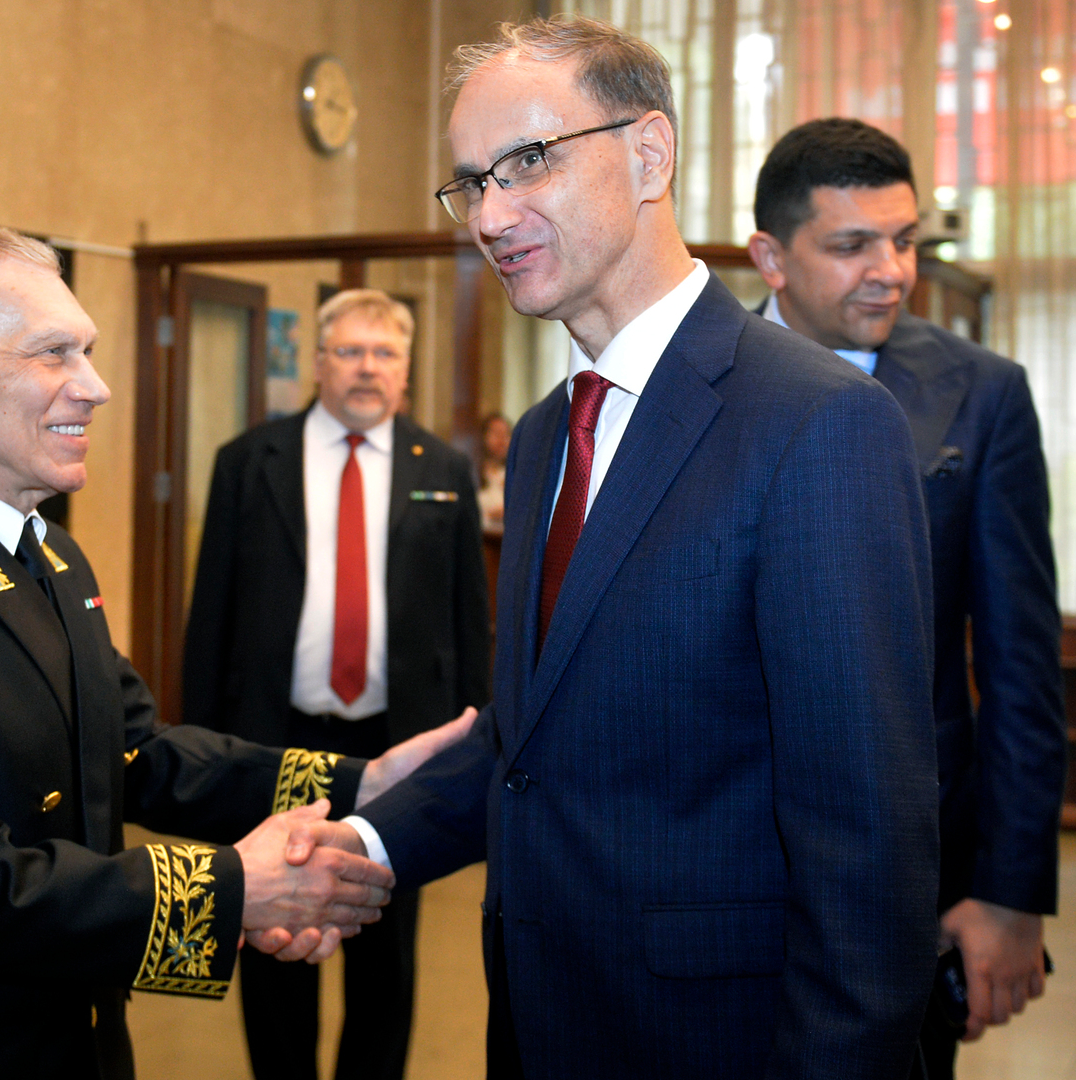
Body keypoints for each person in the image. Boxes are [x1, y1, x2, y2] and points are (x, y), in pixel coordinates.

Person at [304, 16, 942, 1079]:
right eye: (472, 183)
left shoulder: (816, 422)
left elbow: (866, 837)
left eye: (528, 162)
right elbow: (536, 741)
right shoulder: (549, 434)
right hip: (543, 1025)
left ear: (650, 154)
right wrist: (361, 847)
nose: (490, 216)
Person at [0, 224, 469, 1080]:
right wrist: (231, 890)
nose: (94, 387)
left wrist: (362, 783)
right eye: (51, 353)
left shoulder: (52, 555)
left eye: (87, 351)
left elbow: (137, 753)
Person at [746, 117, 1066, 1080]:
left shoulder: (981, 393)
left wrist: (1009, 891)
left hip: (908, 866)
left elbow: (1018, 664)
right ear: (770, 257)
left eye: (904, 240)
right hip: (716, 855)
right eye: (851, 245)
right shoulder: (692, 383)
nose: (889, 271)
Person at [184, 288, 491, 1080]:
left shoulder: (442, 469)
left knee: (384, 951)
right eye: (349, 351)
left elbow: (468, 620)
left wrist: (473, 743)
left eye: (384, 354)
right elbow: (210, 614)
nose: (366, 368)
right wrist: (201, 757)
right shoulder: (249, 461)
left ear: (406, 371)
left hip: (398, 744)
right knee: (277, 936)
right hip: (275, 741)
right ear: (319, 363)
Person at [477, 412, 512, 536]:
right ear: (484, 437)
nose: (502, 440)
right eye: (496, 433)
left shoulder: (517, 473)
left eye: (505, 434)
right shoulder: (474, 471)